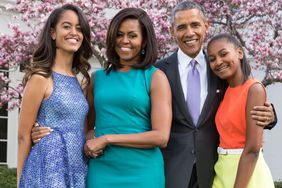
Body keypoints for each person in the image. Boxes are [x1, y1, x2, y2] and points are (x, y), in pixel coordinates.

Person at [155, 1, 277, 188]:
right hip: (173, 170)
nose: (189, 33)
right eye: (181, 27)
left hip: (213, 170)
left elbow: (244, 93)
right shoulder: (159, 72)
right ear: (171, 31)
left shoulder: (221, 69)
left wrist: (271, 116)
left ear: (206, 26)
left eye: (195, 24)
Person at [83, 7, 172, 188]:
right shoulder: (97, 79)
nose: (125, 41)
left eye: (132, 35)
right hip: (102, 170)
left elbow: (161, 137)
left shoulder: (155, 77)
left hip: (143, 172)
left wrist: (108, 138)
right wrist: (88, 141)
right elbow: (85, 126)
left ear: (144, 41)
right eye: (119, 34)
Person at [17, 4, 92, 188]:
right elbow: (23, 136)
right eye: (66, 26)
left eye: (79, 28)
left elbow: (83, 127)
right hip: (47, 169)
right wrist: (20, 182)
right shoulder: (41, 77)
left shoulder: (81, 81)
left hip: (77, 167)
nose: (74, 32)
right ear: (52, 33)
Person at [207, 33, 274, 188]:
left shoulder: (254, 89)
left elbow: (252, 150)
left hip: (248, 174)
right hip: (223, 169)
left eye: (223, 54)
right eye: (212, 59)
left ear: (239, 53)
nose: (218, 62)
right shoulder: (225, 91)